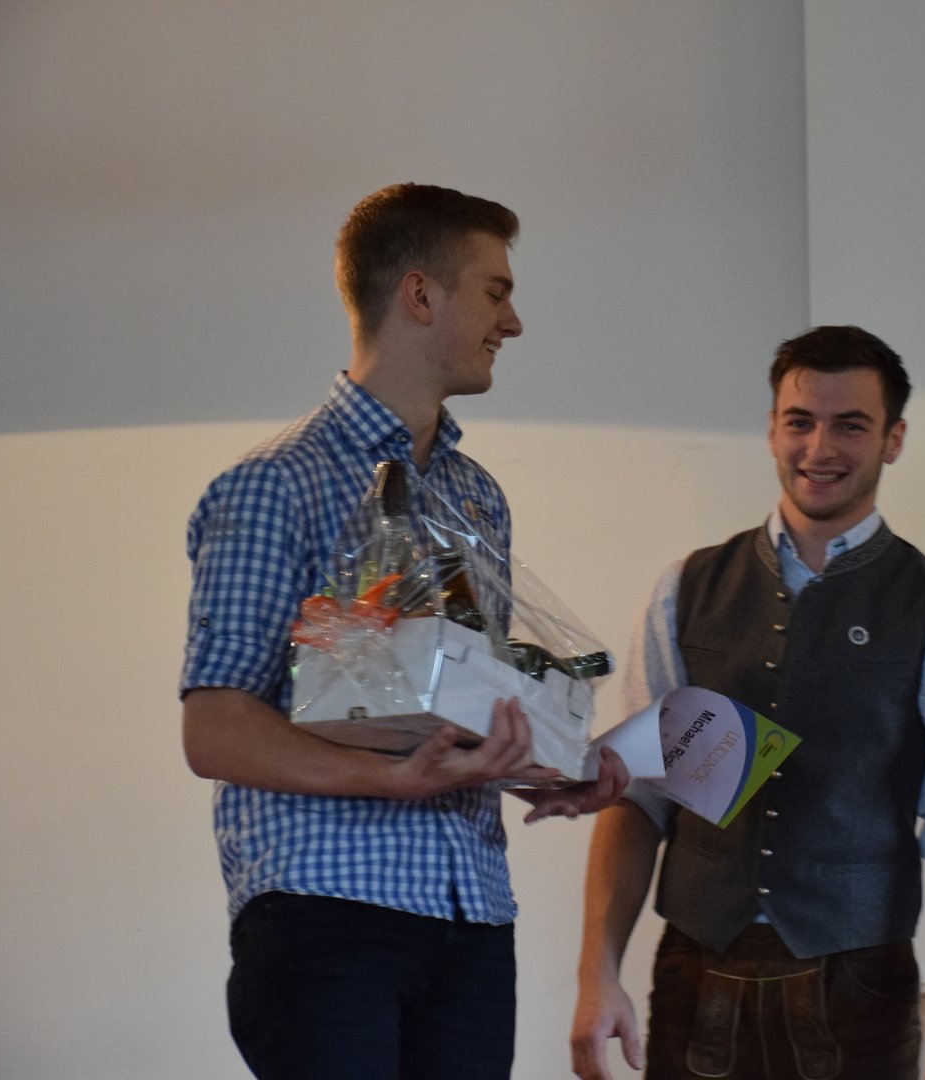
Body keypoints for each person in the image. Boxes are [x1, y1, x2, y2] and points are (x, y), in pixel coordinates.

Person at [180, 182, 627, 1080]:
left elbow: (448, 704)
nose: (513, 323)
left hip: (470, 916)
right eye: (495, 293)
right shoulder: (275, 484)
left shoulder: (476, 495)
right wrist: (392, 780)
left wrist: (548, 761)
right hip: (328, 913)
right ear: (420, 295)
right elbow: (215, 729)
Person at [569, 325, 925, 1080]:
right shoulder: (686, 587)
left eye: (850, 425)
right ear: (772, 427)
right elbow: (640, 795)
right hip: (695, 970)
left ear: (894, 439)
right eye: (800, 421)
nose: (819, 448)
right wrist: (595, 976)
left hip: (860, 986)